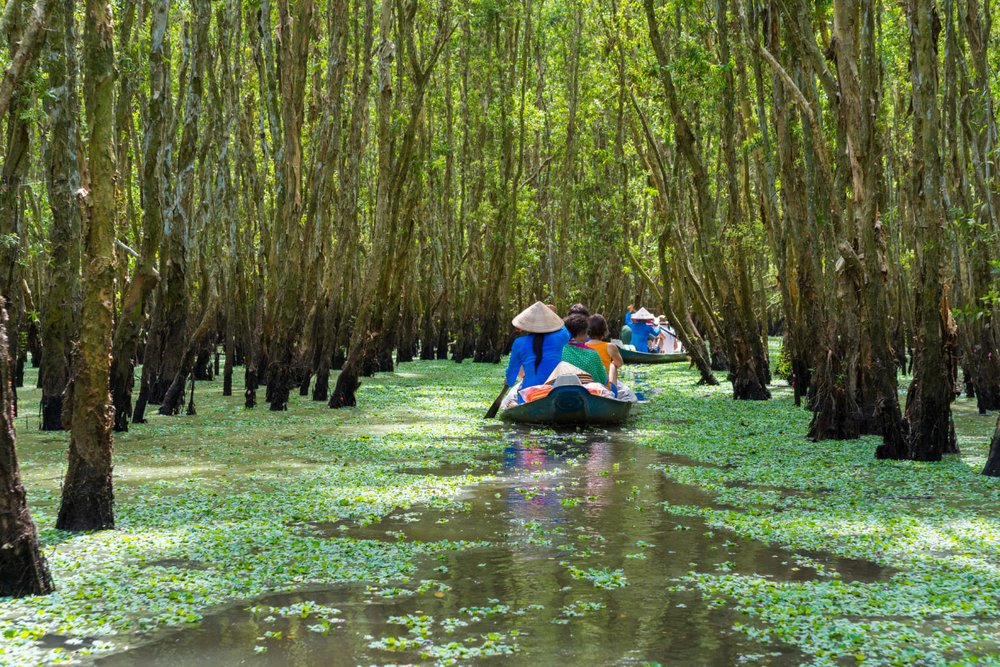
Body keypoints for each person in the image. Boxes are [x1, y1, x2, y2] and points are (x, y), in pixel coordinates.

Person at [502, 302, 570, 407]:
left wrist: (508, 381)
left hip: (528, 394)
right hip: (555, 391)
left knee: (511, 401)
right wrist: (553, 316)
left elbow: (511, 376)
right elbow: (564, 328)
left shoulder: (519, 342)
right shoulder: (561, 337)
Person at [587, 314, 638, 402]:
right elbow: (619, 363)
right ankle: (612, 392)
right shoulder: (610, 347)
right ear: (605, 330)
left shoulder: (582, 346)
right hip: (605, 387)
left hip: (587, 385)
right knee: (613, 365)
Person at [560, 315, 608, 387]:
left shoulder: (560, 350)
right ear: (582, 334)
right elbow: (603, 380)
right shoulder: (592, 354)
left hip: (564, 390)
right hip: (589, 394)